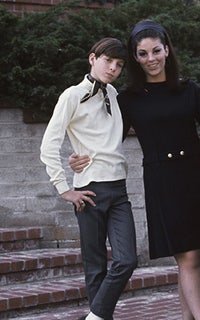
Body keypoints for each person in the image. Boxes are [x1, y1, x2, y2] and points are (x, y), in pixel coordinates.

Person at [70, 20, 200, 320]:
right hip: (162, 181)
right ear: (135, 58)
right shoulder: (127, 99)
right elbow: (107, 139)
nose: (151, 59)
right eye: (142, 54)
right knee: (188, 257)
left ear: (167, 50)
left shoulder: (189, 89)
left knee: (191, 258)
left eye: (156, 51)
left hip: (196, 178)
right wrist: (80, 158)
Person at [40, 37, 138, 320]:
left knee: (126, 260)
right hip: (89, 192)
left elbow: (106, 140)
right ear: (93, 59)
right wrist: (63, 189)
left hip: (118, 190)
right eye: (108, 61)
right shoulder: (71, 95)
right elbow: (49, 144)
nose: (113, 69)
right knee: (94, 268)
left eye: (119, 65)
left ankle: (94, 316)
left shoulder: (115, 97)